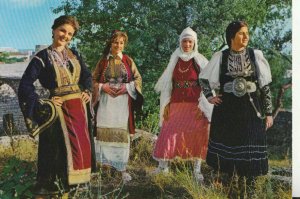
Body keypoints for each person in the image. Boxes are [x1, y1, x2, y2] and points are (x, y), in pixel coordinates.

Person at [18, 15, 96, 198]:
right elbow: (25, 85)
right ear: (53, 30)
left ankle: (77, 186)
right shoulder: (42, 57)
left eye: (70, 34)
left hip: (79, 109)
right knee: (56, 151)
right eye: (62, 30)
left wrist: (87, 90)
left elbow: (86, 76)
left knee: (80, 147)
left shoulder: (75, 54)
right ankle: (54, 188)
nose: (66, 36)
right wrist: (44, 100)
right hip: (58, 111)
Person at [199, 20, 273, 197]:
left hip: (251, 109)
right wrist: (210, 96)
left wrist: (269, 112)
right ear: (231, 36)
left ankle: (251, 192)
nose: (246, 36)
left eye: (247, 33)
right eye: (241, 33)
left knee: (250, 148)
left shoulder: (255, 55)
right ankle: (231, 190)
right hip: (227, 111)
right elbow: (203, 79)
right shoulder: (221, 57)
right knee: (230, 151)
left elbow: (265, 87)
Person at [152, 27, 213, 182]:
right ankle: (163, 167)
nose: (187, 44)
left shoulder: (200, 61)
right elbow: (167, 85)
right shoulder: (174, 59)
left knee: (198, 135)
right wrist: (166, 105)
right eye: (184, 41)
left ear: (194, 43)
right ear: (180, 42)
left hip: (195, 106)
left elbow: (207, 86)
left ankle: (197, 170)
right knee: (167, 133)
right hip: (177, 104)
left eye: (190, 41)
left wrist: (204, 107)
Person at [92, 30, 143, 184]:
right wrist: (102, 87)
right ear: (110, 43)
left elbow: (138, 79)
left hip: (122, 104)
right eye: (115, 42)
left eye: (121, 43)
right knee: (104, 133)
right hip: (106, 103)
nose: (118, 45)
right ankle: (104, 167)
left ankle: (122, 169)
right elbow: (93, 80)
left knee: (121, 135)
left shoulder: (128, 61)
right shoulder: (102, 61)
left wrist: (127, 88)